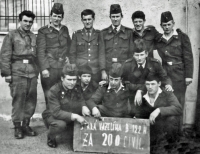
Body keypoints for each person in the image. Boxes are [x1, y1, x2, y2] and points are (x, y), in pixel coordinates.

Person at [0, 10, 38, 139]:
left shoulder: (33, 37)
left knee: (31, 100)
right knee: (18, 100)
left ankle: (26, 125)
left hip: (32, 73)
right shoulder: (11, 35)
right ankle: (17, 127)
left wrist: (37, 72)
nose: (28, 24)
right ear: (20, 21)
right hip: (17, 72)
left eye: (30, 22)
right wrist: (7, 74)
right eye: (25, 21)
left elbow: (37, 56)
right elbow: (5, 56)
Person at [155, 11, 193, 128]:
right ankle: (168, 132)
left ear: (173, 24)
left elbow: (188, 57)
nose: (167, 27)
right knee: (167, 102)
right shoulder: (160, 40)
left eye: (169, 24)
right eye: (164, 25)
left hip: (179, 75)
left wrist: (188, 75)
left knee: (178, 103)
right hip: (166, 75)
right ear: (161, 26)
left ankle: (178, 131)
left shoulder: (182, 37)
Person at [42, 64, 89, 148]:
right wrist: (76, 116)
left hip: (68, 112)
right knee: (60, 125)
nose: (72, 82)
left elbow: (81, 98)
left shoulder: (77, 87)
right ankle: (51, 137)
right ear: (62, 78)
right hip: (53, 116)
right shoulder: (54, 91)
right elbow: (56, 112)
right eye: (69, 79)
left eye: (74, 79)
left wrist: (84, 106)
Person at [122, 39, 172, 116]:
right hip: (134, 97)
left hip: (151, 96)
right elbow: (124, 82)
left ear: (146, 54)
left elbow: (164, 78)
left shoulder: (154, 64)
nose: (139, 58)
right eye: (137, 55)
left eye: (141, 55)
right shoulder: (127, 65)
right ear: (133, 55)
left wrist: (168, 84)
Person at [36, 3, 71, 105]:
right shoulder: (43, 31)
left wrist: (68, 57)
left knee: (63, 94)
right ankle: (50, 119)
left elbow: (69, 45)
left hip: (62, 68)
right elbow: (40, 51)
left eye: (59, 16)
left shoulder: (65, 29)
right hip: (49, 69)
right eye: (54, 16)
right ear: (50, 16)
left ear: (62, 18)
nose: (56, 19)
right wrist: (44, 69)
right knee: (50, 95)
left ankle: (60, 119)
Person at [135, 75, 182, 142]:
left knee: (172, 119)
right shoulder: (141, 96)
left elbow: (178, 108)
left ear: (159, 84)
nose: (150, 87)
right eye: (147, 84)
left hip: (164, 126)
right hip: (150, 127)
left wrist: (159, 110)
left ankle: (171, 145)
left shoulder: (166, 93)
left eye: (153, 84)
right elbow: (138, 113)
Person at [69, 9, 105, 82]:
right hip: (80, 71)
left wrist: (103, 70)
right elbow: (72, 53)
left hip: (95, 71)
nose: (87, 22)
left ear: (93, 19)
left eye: (89, 19)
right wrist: (74, 70)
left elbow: (101, 53)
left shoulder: (99, 34)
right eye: (85, 20)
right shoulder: (76, 34)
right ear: (82, 20)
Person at [100, 4, 134, 80]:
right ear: (110, 17)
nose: (115, 19)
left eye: (117, 16)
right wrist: (103, 71)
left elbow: (131, 53)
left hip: (124, 69)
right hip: (109, 69)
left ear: (121, 17)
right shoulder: (103, 33)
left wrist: (129, 70)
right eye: (113, 16)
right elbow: (101, 53)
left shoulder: (129, 32)